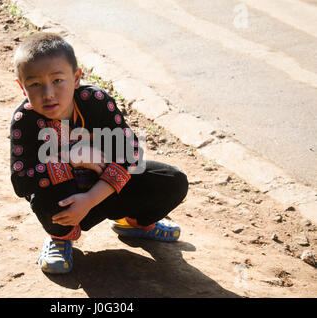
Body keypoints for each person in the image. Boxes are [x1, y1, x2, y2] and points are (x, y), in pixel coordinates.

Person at [10, 32, 188, 274]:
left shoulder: (95, 102)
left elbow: (131, 153)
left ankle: (135, 223)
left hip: (104, 191)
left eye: (58, 80)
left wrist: (91, 199)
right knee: (42, 193)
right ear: (23, 88)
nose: (48, 93)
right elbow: (21, 181)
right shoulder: (25, 120)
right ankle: (59, 238)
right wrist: (70, 158)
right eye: (35, 84)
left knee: (173, 181)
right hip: (64, 201)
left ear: (76, 78)